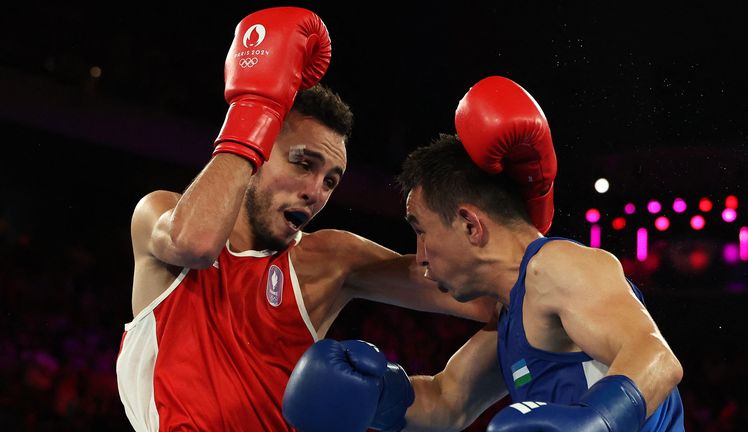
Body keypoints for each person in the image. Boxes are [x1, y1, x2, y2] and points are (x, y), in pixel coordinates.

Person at [115, 7, 494, 432]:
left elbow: (489, 296)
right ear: (256, 150)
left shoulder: (329, 259)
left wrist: (519, 217)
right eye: (302, 163)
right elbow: (196, 244)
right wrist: (255, 108)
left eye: (331, 180)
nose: (315, 191)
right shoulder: (161, 215)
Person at [281, 76, 685, 431]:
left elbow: (656, 356)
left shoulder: (557, 266)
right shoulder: (514, 314)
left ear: (470, 225)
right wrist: (375, 394)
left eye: (421, 232)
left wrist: (598, 422)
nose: (419, 257)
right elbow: (448, 402)